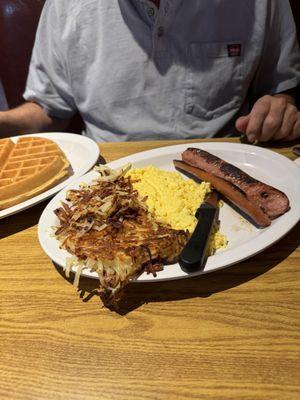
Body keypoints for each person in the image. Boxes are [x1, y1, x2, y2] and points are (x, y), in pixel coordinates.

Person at [0, 0, 300, 143]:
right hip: (104, 177)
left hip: (223, 166)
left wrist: (280, 109)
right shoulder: (66, 6)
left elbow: (280, 90)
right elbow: (48, 112)